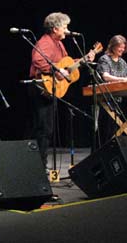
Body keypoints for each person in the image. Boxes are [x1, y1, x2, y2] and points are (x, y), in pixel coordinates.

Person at [29, 12, 95, 170]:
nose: (67, 30)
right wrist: (56, 71)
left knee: (47, 128)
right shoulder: (45, 42)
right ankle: (38, 166)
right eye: (65, 27)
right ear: (55, 28)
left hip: (51, 89)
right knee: (43, 128)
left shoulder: (58, 44)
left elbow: (67, 64)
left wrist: (84, 60)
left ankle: (39, 164)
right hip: (41, 87)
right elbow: (37, 60)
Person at [95, 35, 127, 143]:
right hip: (106, 99)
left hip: (118, 98)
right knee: (105, 127)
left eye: (123, 47)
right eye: (120, 46)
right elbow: (105, 76)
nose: (122, 49)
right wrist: (123, 79)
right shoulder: (104, 59)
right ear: (113, 46)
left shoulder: (122, 62)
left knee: (114, 128)